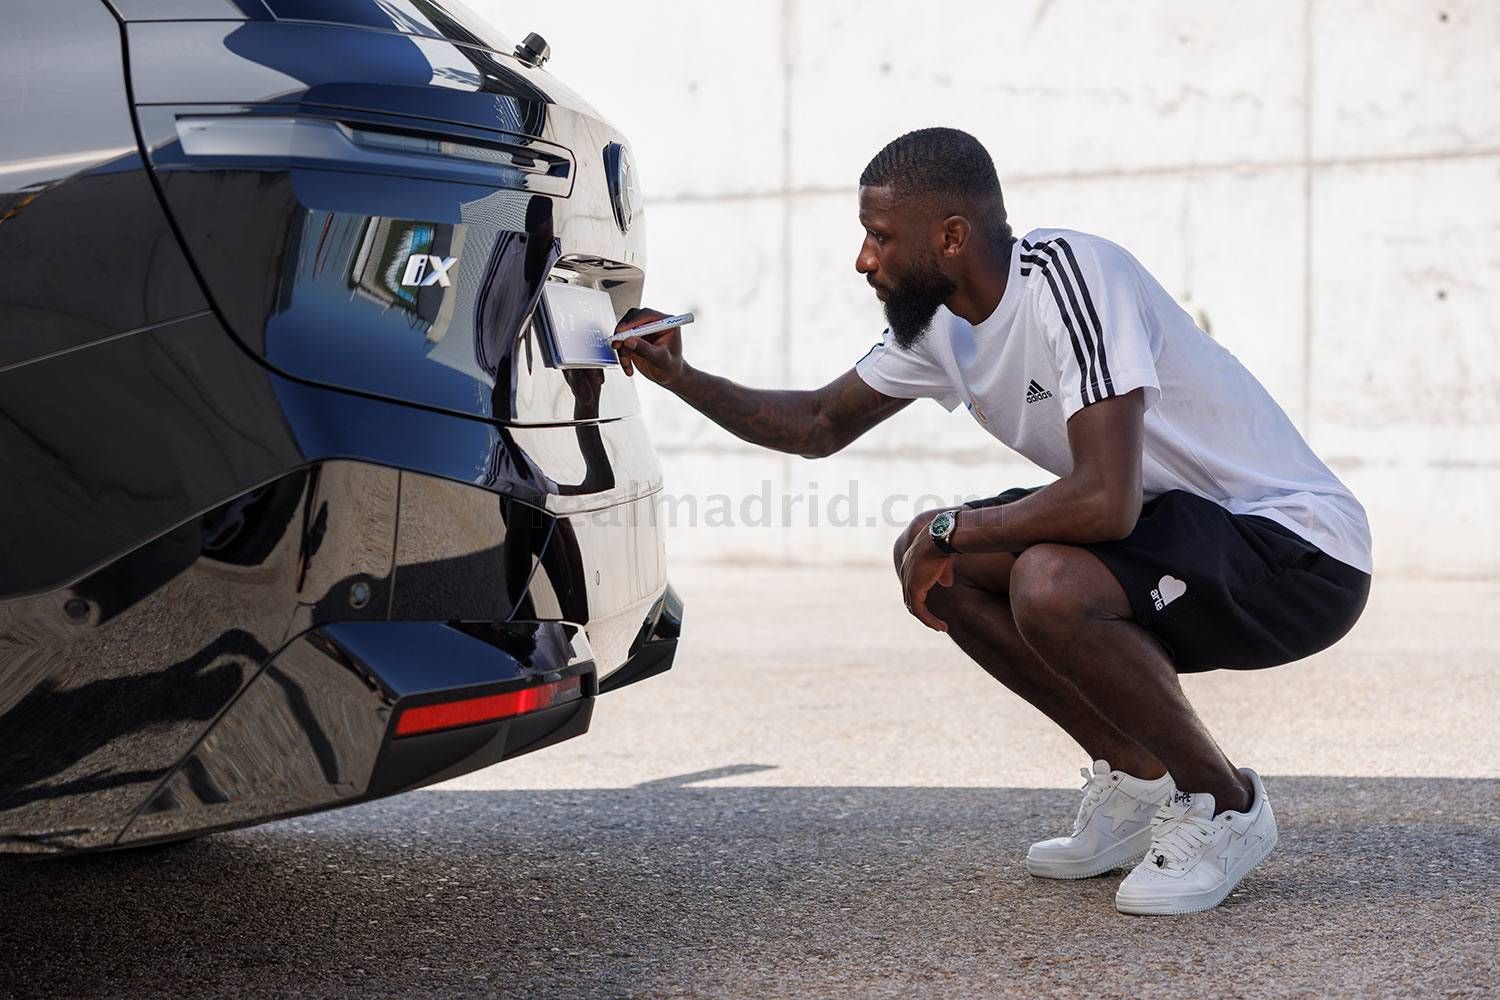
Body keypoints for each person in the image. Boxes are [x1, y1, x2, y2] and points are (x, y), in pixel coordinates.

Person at [613, 127, 1371, 916]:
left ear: (949, 236)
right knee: (943, 568)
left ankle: (1225, 804)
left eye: (878, 237)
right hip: (1181, 530)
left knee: (1039, 577)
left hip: (1296, 551)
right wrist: (678, 374)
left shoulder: (1070, 277)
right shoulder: (942, 325)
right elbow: (815, 425)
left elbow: (1105, 499)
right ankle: (1135, 774)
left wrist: (957, 527)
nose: (863, 260)